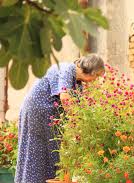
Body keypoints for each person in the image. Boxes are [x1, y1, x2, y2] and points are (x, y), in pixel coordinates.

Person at [15, 54, 105, 183]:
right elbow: (64, 97)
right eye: (96, 76)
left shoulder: (78, 81)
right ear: (90, 70)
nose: (95, 80)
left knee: (51, 151)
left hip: (49, 117)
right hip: (38, 112)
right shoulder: (67, 70)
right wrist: (76, 123)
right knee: (35, 150)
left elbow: (78, 106)